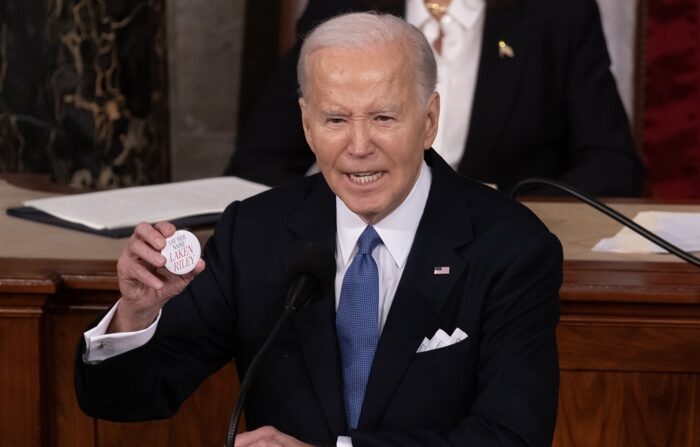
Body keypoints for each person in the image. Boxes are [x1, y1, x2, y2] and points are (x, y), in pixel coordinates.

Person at [75, 13, 563, 446]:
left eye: (383, 117)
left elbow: (512, 434)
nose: (358, 146)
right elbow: (128, 400)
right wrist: (135, 316)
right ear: (307, 125)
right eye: (335, 119)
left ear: (429, 120)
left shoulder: (512, 248)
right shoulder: (256, 232)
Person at [226, 0, 644, 197]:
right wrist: (345, 204)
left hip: (500, 259)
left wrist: (503, 204)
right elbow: (257, 162)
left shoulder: (556, 14)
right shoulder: (343, 6)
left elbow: (613, 167)